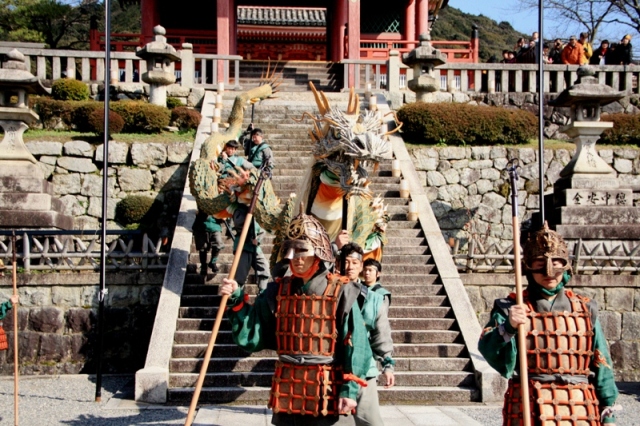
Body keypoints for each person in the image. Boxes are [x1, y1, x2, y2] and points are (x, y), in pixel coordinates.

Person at [219, 208, 372, 426]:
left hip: (326, 388)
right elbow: (252, 335)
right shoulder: (276, 291)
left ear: (318, 253)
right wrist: (235, 299)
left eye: (301, 250)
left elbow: (356, 342)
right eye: (289, 251)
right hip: (288, 387)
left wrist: (349, 388)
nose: (295, 258)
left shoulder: (342, 291)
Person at [478, 223, 620, 425]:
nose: (549, 271)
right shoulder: (511, 307)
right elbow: (488, 348)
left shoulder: (585, 309)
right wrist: (508, 327)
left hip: (578, 408)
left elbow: (602, 362)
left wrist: (609, 410)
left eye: (557, 262)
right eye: (539, 263)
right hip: (529, 405)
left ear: (567, 265)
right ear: (527, 267)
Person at [340, 244, 394, 426]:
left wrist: (387, 364)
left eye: (355, 262)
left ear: (361, 267)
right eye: (346, 262)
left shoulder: (374, 299)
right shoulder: (329, 294)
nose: (350, 267)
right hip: (336, 367)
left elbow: (381, 335)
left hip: (365, 368)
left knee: (370, 421)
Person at [192, 210, 225, 275]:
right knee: (202, 248)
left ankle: (213, 262)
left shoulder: (219, 203)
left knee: (218, 244)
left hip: (215, 226)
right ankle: (203, 266)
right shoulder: (202, 203)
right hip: (201, 226)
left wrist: (224, 217)